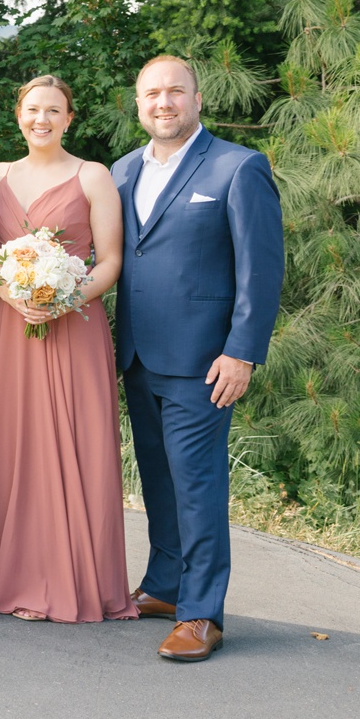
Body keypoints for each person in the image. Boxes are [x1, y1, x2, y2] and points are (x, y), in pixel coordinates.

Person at [0, 76, 138, 623]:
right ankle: (13, 575)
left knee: (73, 445)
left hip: (73, 325)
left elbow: (111, 261)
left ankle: (70, 579)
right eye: (33, 110)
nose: (42, 120)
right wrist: (10, 291)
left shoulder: (93, 176)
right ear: (18, 114)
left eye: (54, 111)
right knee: (14, 444)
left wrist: (62, 297)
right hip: (12, 326)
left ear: (70, 118)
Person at [113, 56, 283, 662]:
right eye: (152, 94)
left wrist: (242, 351)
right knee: (156, 478)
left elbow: (260, 270)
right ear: (138, 104)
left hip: (204, 360)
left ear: (198, 98)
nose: (164, 103)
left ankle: (202, 612)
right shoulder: (122, 170)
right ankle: (164, 585)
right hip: (137, 353)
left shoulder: (239, 167)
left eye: (175, 92)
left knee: (197, 484)